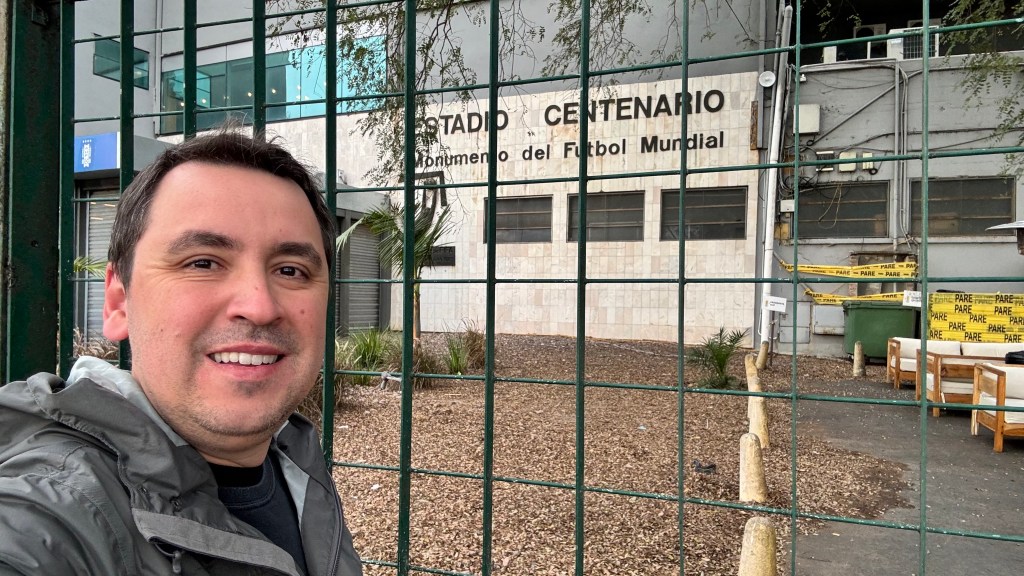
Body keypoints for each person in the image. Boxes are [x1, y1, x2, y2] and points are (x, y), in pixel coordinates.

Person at [0, 130, 363, 575]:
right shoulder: (53, 512)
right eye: (202, 263)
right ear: (118, 301)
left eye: (291, 270)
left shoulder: (297, 463)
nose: (260, 306)